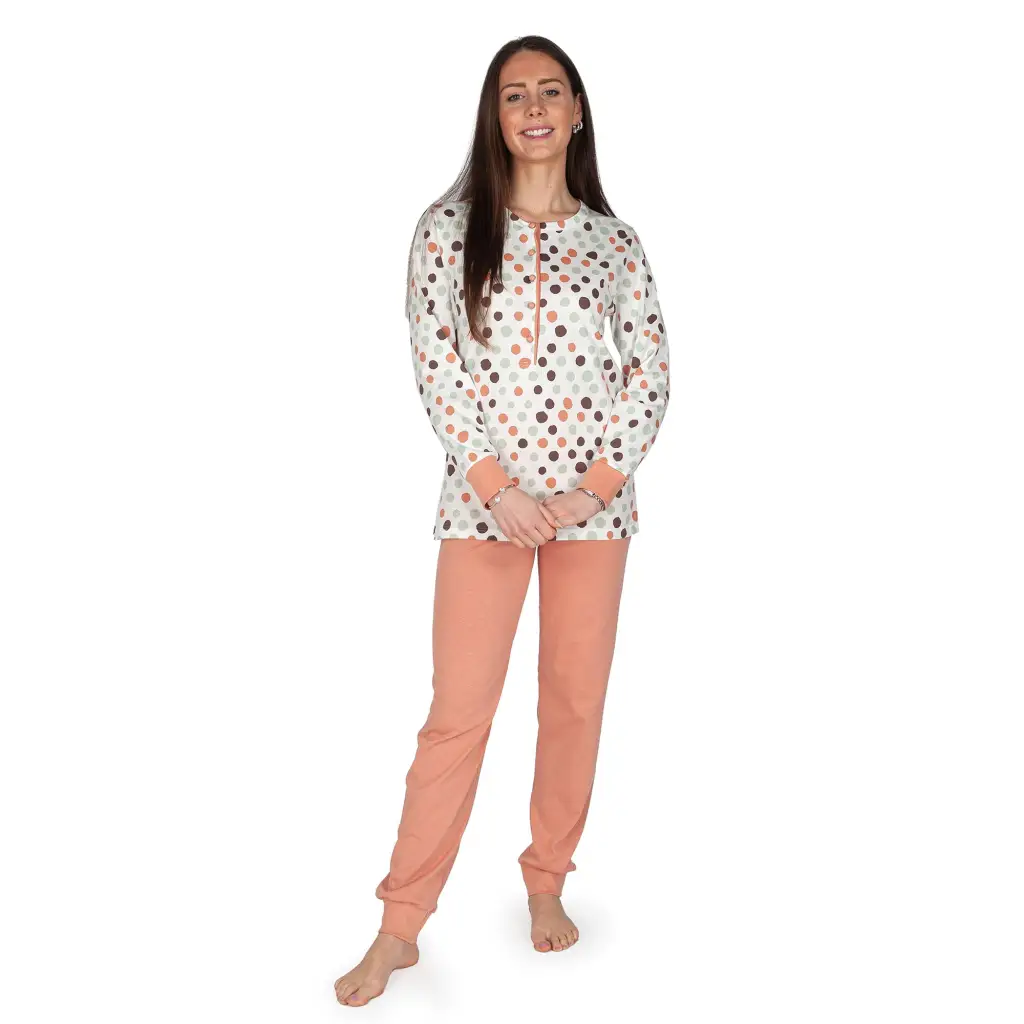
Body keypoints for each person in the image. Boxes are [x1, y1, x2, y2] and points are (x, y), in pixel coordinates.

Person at [335, 34, 671, 1008]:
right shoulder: (447, 228)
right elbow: (434, 358)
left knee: (573, 702)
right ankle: (400, 924)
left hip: (593, 517)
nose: (532, 107)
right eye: (514, 93)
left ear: (576, 112)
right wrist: (498, 487)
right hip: (482, 510)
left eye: (550, 91)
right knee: (458, 715)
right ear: (495, 115)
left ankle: (546, 878)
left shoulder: (615, 243)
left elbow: (650, 372)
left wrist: (586, 492)